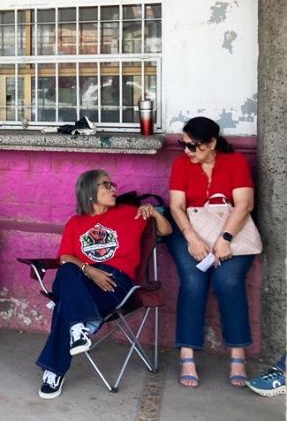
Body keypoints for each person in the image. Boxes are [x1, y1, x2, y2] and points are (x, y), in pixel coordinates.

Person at [36, 169, 171, 399]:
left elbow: (166, 231)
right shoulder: (75, 223)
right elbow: (65, 257)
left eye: (113, 184)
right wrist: (89, 270)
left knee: (64, 305)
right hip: (82, 279)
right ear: (89, 192)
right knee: (68, 269)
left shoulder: (129, 213)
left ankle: (56, 366)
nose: (113, 189)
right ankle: (79, 327)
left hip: (116, 283)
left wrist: (155, 215)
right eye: (105, 185)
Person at [166, 116, 256, 388]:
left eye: (194, 146)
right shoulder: (181, 164)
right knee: (193, 282)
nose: (187, 151)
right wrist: (191, 237)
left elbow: (244, 205)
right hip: (189, 230)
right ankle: (187, 354)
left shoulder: (235, 162)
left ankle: (238, 355)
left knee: (227, 281)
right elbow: (176, 207)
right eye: (184, 144)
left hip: (231, 229)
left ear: (212, 143)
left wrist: (225, 238)